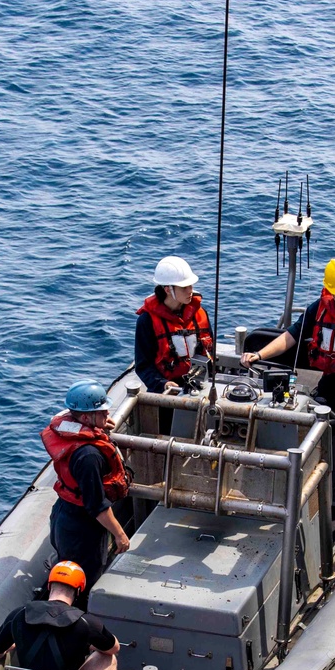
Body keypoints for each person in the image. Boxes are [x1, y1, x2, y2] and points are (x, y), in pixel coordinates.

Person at [241, 256, 335, 546]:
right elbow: (291, 337)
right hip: (330, 386)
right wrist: (259, 355)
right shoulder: (318, 308)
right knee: (301, 433)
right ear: (330, 291)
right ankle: (295, 500)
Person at [41, 379, 131, 606]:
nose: (107, 413)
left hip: (64, 514)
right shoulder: (88, 456)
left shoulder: (73, 427)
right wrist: (120, 535)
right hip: (82, 529)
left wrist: (99, 425)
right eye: (101, 412)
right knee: (82, 581)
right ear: (84, 418)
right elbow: (96, 506)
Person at [135, 256, 214, 394]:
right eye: (184, 287)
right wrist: (163, 384)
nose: (190, 290)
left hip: (202, 387)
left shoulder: (200, 313)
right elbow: (143, 365)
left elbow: (211, 350)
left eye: (191, 285)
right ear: (167, 289)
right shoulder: (147, 321)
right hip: (167, 392)